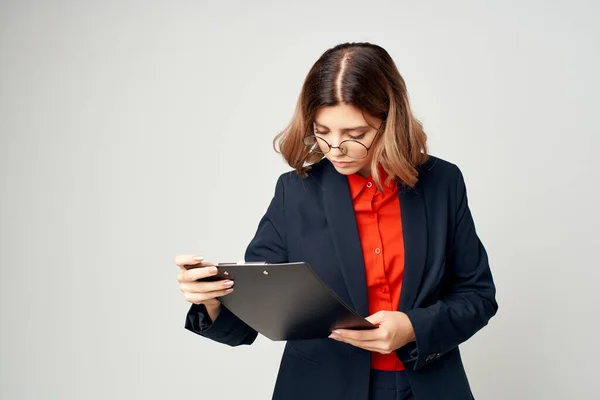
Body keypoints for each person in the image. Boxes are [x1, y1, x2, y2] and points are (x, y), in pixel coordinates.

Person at [174, 42, 498, 400]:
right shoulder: (294, 193)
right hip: (320, 387)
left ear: (391, 120)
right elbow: (255, 316)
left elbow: (477, 295)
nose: (335, 149)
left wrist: (412, 327)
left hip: (428, 386)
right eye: (322, 131)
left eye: (355, 135)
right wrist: (212, 300)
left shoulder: (443, 183)